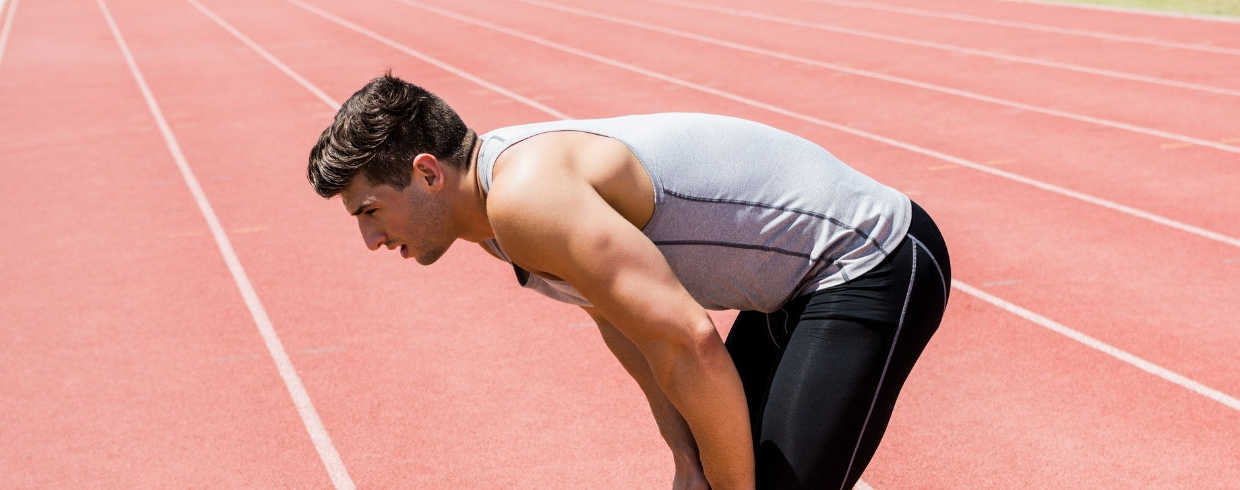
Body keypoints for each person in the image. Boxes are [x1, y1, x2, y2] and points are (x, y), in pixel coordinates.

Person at [307, 73, 951, 490]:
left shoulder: (525, 199)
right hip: (793, 285)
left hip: (869, 260)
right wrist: (686, 458)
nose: (370, 240)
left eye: (370, 211)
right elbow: (625, 326)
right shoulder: (489, 210)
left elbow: (691, 341)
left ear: (427, 173)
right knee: (726, 464)